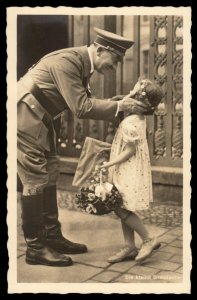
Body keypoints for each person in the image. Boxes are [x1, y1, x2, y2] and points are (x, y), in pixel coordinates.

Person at [17, 27, 149, 267]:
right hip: (24, 117)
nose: (117, 65)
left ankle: (52, 237)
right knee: (35, 178)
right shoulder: (67, 62)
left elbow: (84, 101)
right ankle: (36, 247)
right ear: (100, 50)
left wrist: (115, 103)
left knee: (51, 171)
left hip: (40, 118)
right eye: (116, 59)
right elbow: (81, 108)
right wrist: (121, 107)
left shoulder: (81, 63)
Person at [98, 78, 163, 263]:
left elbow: (130, 150)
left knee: (120, 208)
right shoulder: (138, 118)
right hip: (131, 167)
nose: (129, 96)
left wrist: (109, 164)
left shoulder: (130, 122)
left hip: (127, 168)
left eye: (133, 94)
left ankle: (148, 239)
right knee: (122, 204)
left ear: (139, 102)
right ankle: (129, 246)